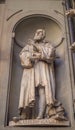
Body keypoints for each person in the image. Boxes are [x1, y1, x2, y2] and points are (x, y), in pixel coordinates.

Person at [13, 29, 67, 122]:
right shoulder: (28, 46)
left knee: (43, 91)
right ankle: (25, 115)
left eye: (40, 33)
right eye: (36, 32)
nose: (37, 34)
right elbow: (23, 55)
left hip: (42, 69)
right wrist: (30, 56)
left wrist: (36, 48)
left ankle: (41, 115)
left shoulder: (47, 45)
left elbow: (50, 54)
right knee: (27, 91)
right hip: (31, 70)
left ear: (43, 36)